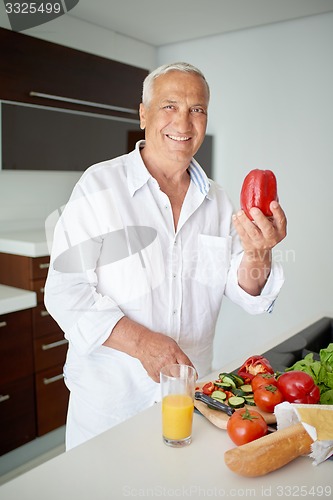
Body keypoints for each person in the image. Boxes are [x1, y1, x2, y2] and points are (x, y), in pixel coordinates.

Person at [44, 62, 287, 450]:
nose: (185, 122)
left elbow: (247, 291)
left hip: (188, 404)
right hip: (109, 411)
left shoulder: (220, 202)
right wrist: (142, 342)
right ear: (143, 114)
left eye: (197, 109)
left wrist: (259, 252)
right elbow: (64, 291)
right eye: (169, 106)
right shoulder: (99, 185)